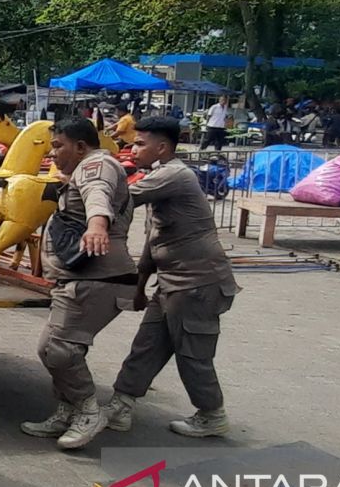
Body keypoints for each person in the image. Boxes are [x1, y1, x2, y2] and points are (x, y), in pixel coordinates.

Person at [103, 117, 241, 438]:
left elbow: (123, 197)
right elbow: (154, 242)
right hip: (171, 282)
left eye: (140, 144)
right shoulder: (160, 176)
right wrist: (139, 287)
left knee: (192, 352)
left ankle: (211, 413)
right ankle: (121, 405)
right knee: (147, 344)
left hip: (198, 283)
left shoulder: (174, 175)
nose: (133, 149)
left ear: (162, 147)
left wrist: (82, 182)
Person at [20, 117, 135, 450]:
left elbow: (97, 196)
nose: (52, 152)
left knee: (60, 349)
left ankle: (88, 410)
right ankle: (67, 410)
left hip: (96, 278)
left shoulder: (96, 166)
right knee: (53, 348)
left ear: (81, 146)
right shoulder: (89, 167)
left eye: (58, 146)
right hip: (79, 277)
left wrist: (97, 226)